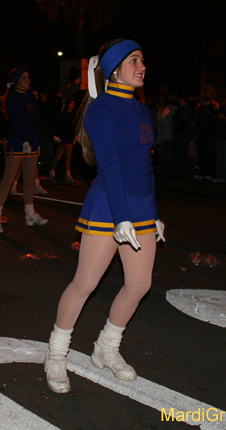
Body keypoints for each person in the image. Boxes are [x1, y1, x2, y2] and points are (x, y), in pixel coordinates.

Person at [43, 39, 165, 394]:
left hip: (139, 208)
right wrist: (122, 218)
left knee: (140, 284)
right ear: (114, 70)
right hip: (109, 207)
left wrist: (153, 215)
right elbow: (111, 168)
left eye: (143, 59)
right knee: (85, 284)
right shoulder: (102, 109)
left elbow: (146, 167)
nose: (142, 65)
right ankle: (55, 355)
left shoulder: (142, 109)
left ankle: (106, 348)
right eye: (134, 60)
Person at [0, 68, 55, 233]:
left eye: (28, 77)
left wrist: (46, 137)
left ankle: (29, 215)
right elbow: (17, 120)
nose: (27, 80)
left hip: (32, 143)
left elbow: (36, 120)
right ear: (17, 80)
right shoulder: (12, 96)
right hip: (18, 142)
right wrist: (25, 140)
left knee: (29, 181)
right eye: (24, 77)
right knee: (8, 180)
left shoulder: (31, 97)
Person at [48, 97, 78, 184]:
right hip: (64, 138)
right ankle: (51, 173)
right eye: (70, 103)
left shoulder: (72, 115)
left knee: (68, 158)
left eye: (73, 104)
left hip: (69, 139)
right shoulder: (64, 114)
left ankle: (68, 175)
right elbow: (65, 127)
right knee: (58, 157)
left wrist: (73, 136)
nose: (72, 106)